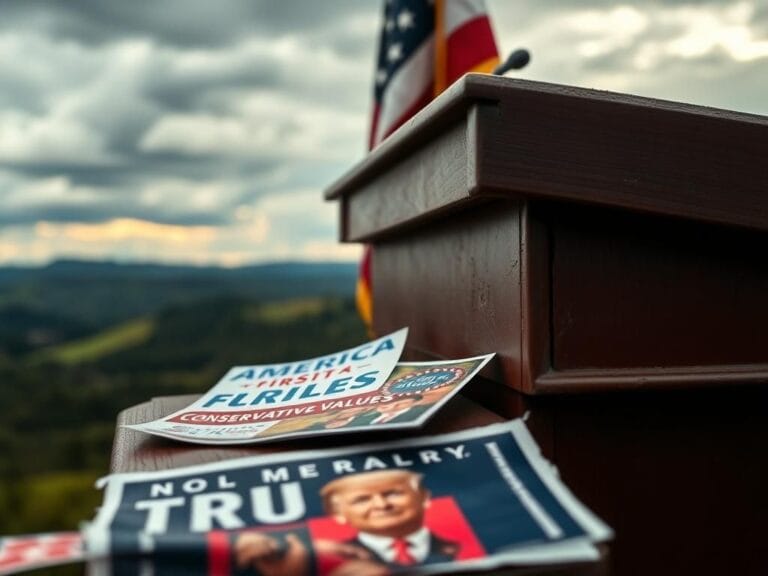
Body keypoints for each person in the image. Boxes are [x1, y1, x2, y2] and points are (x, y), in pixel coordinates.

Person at [320, 470, 459, 566]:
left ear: (424, 497)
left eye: (392, 494)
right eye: (362, 500)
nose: (381, 505)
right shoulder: (335, 558)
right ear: (338, 514)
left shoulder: (459, 547)